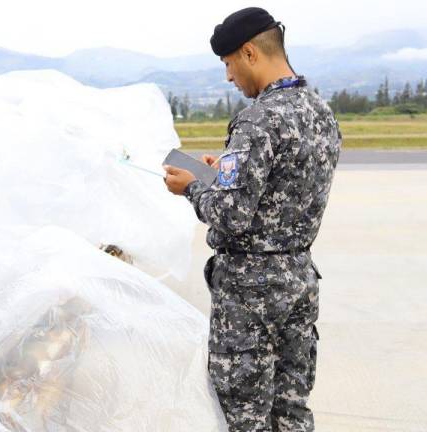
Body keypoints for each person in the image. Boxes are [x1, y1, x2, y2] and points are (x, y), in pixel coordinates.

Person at [162, 7, 341, 432]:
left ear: (248, 53)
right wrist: (223, 172)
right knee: (292, 411)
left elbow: (229, 216)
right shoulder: (320, 112)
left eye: (228, 64)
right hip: (298, 278)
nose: (228, 76)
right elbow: (283, 189)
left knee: (244, 417)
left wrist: (192, 185)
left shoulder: (258, 119)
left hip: (250, 295)